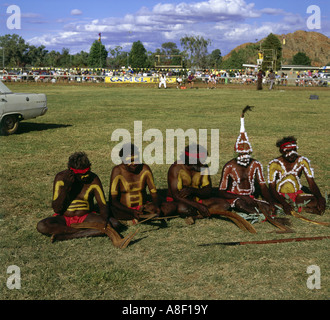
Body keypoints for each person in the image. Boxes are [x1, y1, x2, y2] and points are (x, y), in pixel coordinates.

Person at [36, 152, 134, 248]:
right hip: (64, 218)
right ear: (71, 171)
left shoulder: (94, 179)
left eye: (87, 172)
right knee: (42, 225)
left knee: (115, 224)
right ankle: (82, 231)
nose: (85, 176)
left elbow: (103, 205)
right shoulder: (61, 178)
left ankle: (68, 235)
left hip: (86, 218)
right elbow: (57, 209)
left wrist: (104, 220)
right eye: (81, 174)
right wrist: (66, 188)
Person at [161, 144, 255, 231]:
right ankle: (199, 212)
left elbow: (208, 191)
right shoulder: (176, 168)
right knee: (183, 208)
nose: (204, 163)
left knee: (225, 205)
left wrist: (192, 190)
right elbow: (176, 195)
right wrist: (198, 206)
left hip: (197, 201)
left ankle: (196, 216)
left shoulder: (204, 168)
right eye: (201, 161)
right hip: (181, 202)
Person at [218, 106, 276, 217]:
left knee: (270, 207)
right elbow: (221, 191)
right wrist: (241, 197)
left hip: (250, 197)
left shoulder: (255, 164)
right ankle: (259, 215)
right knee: (241, 205)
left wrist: (271, 202)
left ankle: (262, 212)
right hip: (236, 198)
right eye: (242, 153)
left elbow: (263, 186)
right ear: (237, 153)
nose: (245, 157)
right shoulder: (229, 166)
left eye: (247, 153)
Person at [268, 136, 326, 215]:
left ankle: (295, 207)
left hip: (297, 195)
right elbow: (271, 188)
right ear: (282, 151)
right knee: (271, 204)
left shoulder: (302, 161)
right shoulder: (274, 164)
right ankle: (303, 208)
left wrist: (320, 198)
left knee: (315, 200)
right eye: (288, 151)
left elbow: (311, 183)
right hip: (281, 196)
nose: (292, 154)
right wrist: (284, 203)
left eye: (294, 150)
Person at [109, 143, 161, 225]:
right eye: (130, 161)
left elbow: (154, 194)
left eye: (136, 160)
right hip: (125, 210)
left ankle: (138, 218)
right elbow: (113, 200)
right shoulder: (117, 171)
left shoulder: (145, 169)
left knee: (168, 207)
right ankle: (141, 218)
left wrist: (156, 206)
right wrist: (131, 211)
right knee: (114, 211)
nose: (134, 163)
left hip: (143, 208)